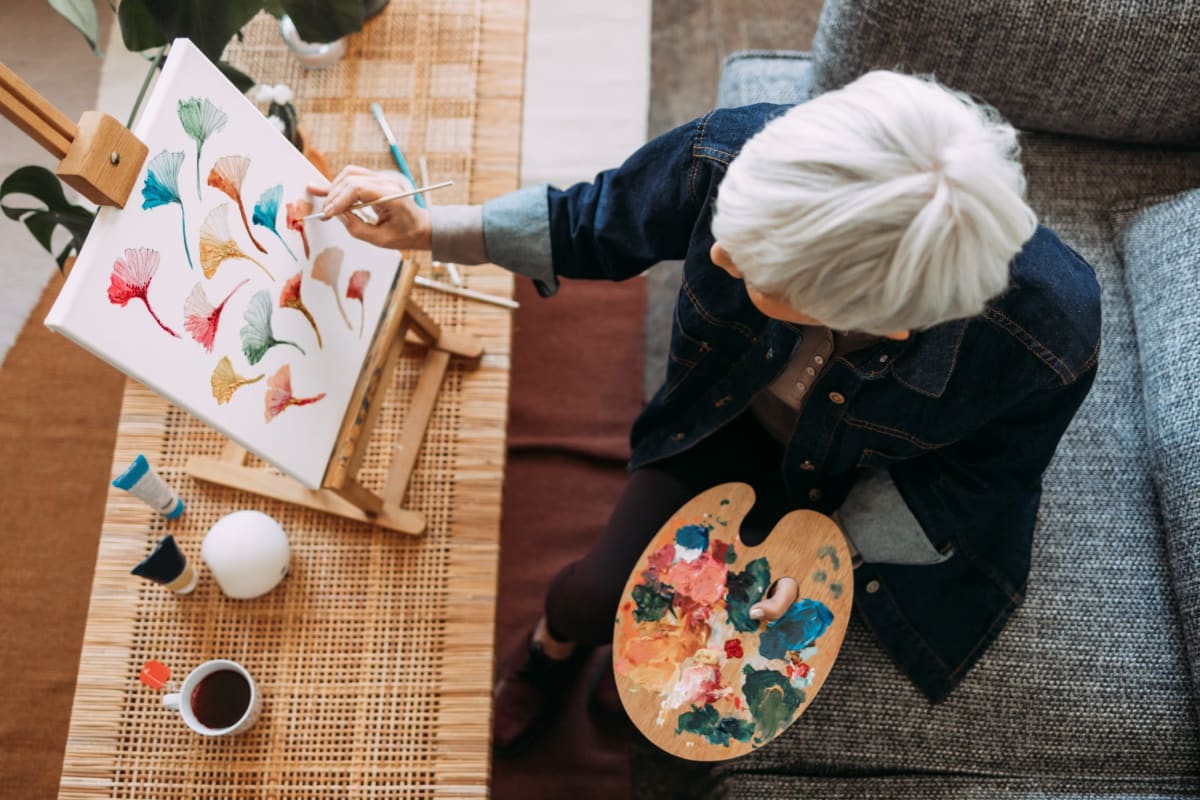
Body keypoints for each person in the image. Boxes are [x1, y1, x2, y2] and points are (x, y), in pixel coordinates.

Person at [310, 70, 1101, 756]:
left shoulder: (1049, 335)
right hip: (717, 422)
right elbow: (599, 218)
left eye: (756, 271)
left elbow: (983, 481)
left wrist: (826, 553)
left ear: (884, 321)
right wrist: (432, 230)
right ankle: (553, 649)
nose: (716, 257)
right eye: (729, 230)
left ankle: (623, 684)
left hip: (861, 483)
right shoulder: (740, 153)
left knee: (704, 662)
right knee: (591, 599)